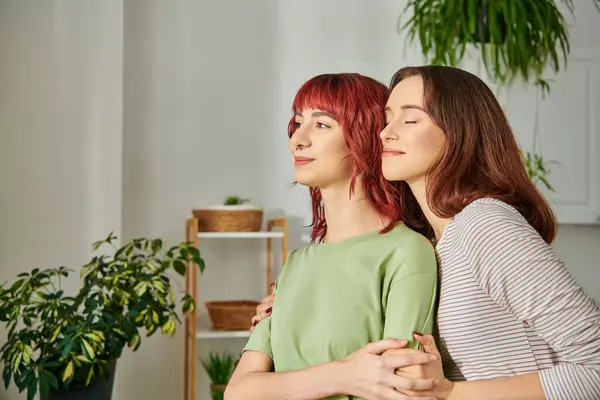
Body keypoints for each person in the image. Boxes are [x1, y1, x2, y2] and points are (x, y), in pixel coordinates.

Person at [251, 65, 600, 400]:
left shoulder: (485, 225)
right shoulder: (433, 244)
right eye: (387, 119)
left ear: (459, 134)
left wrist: (451, 393)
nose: (386, 132)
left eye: (411, 118)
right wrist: (289, 310)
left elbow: (595, 366)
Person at [224, 73, 440, 400]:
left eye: (322, 125)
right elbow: (238, 392)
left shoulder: (407, 252)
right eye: (298, 123)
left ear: (365, 138)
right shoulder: (296, 264)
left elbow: (400, 390)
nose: (298, 138)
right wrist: (343, 375)